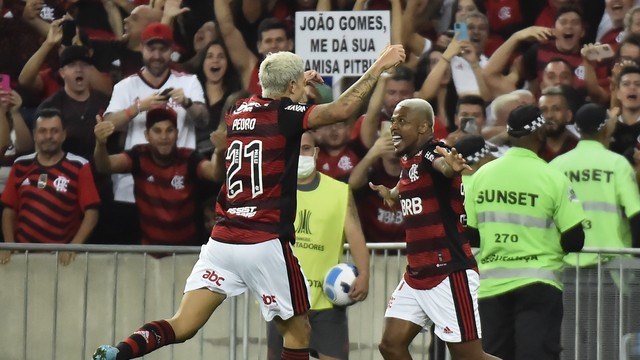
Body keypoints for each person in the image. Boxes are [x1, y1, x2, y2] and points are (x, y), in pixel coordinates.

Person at [91, 44, 406, 360]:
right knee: (299, 333)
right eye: (296, 83)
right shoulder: (286, 115)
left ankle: (120, 351)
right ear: (292, 86)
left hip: (223, 241)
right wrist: (379, 65)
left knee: (182, 324)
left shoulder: (237, 109)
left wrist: (295, 84)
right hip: (264, 240)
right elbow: (341, 110)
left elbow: (274, 98)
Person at [369, 98, 497, 360]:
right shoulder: (410, 158)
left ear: (423, 127)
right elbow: (411, 183)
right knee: (390, 345)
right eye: (393, 120)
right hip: (417, 274)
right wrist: (393, 194)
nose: (393, 126)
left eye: (402, 121)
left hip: (449, 272)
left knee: (470, 357)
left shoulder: (433, 150)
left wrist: (450, 167)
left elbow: (442, 166)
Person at [464, 105, 586, 360]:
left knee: (493, 356)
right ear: (540, 132)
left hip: (491, 285)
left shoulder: (482, 175)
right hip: (538, 282)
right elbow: (575, 239)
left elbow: (472, 234)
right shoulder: (552, 177)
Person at [266, 131, 370, 360]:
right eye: (295, 148)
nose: (300, 154)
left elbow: (356, 235)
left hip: (327, 301)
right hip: (284, 301)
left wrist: (364, 274)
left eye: (305, 149)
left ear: (315, 153)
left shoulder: (339, 191)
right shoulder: (274, 192)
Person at [103, 21, 208, 245]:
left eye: (163, 49)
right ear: (142, 49)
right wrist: (138, 107)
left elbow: (204, 119)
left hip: (181, 191)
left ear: (172, 50)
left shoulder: (188, 82)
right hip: (131, 191)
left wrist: (187, 103)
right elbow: (108, 124)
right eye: (152, 49)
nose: (157, 55)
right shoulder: (126, 86)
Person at [550, 103, 640, 360]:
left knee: (569, 340)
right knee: (609, 341)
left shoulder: (557, 165)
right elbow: (635, 214)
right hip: (612, 269)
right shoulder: (616, 163)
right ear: (606, 128)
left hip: (566, 268)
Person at [93, 107, 220, 248]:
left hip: (186, 252)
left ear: (177, 133)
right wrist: (100, 144)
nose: (164, 137)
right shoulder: (139, 156)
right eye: (157, 131)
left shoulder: (189, 157)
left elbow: (215, 174)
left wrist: (220, 152)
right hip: (149, 254)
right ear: (147, 135)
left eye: (169, 130)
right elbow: (105, 166)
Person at [0, 108, 100, 266]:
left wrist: (74, 246)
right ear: (34, 135)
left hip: (60, 259)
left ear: (64, 134)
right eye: (42, 131)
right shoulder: (20, 165)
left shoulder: (79, 165)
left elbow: (91, 213)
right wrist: (10, 245)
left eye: (54, 131)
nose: (48, 136)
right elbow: (9, 209)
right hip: (23, 256)